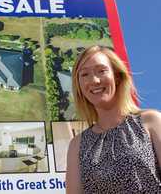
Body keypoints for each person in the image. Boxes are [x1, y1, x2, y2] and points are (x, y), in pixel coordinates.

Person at [66, 45, 161, 193]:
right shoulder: (77, 145)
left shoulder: (151, 121)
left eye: (101, 71)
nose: (94, 80)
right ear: (79, 86)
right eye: (84, 75)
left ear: (116, 76)